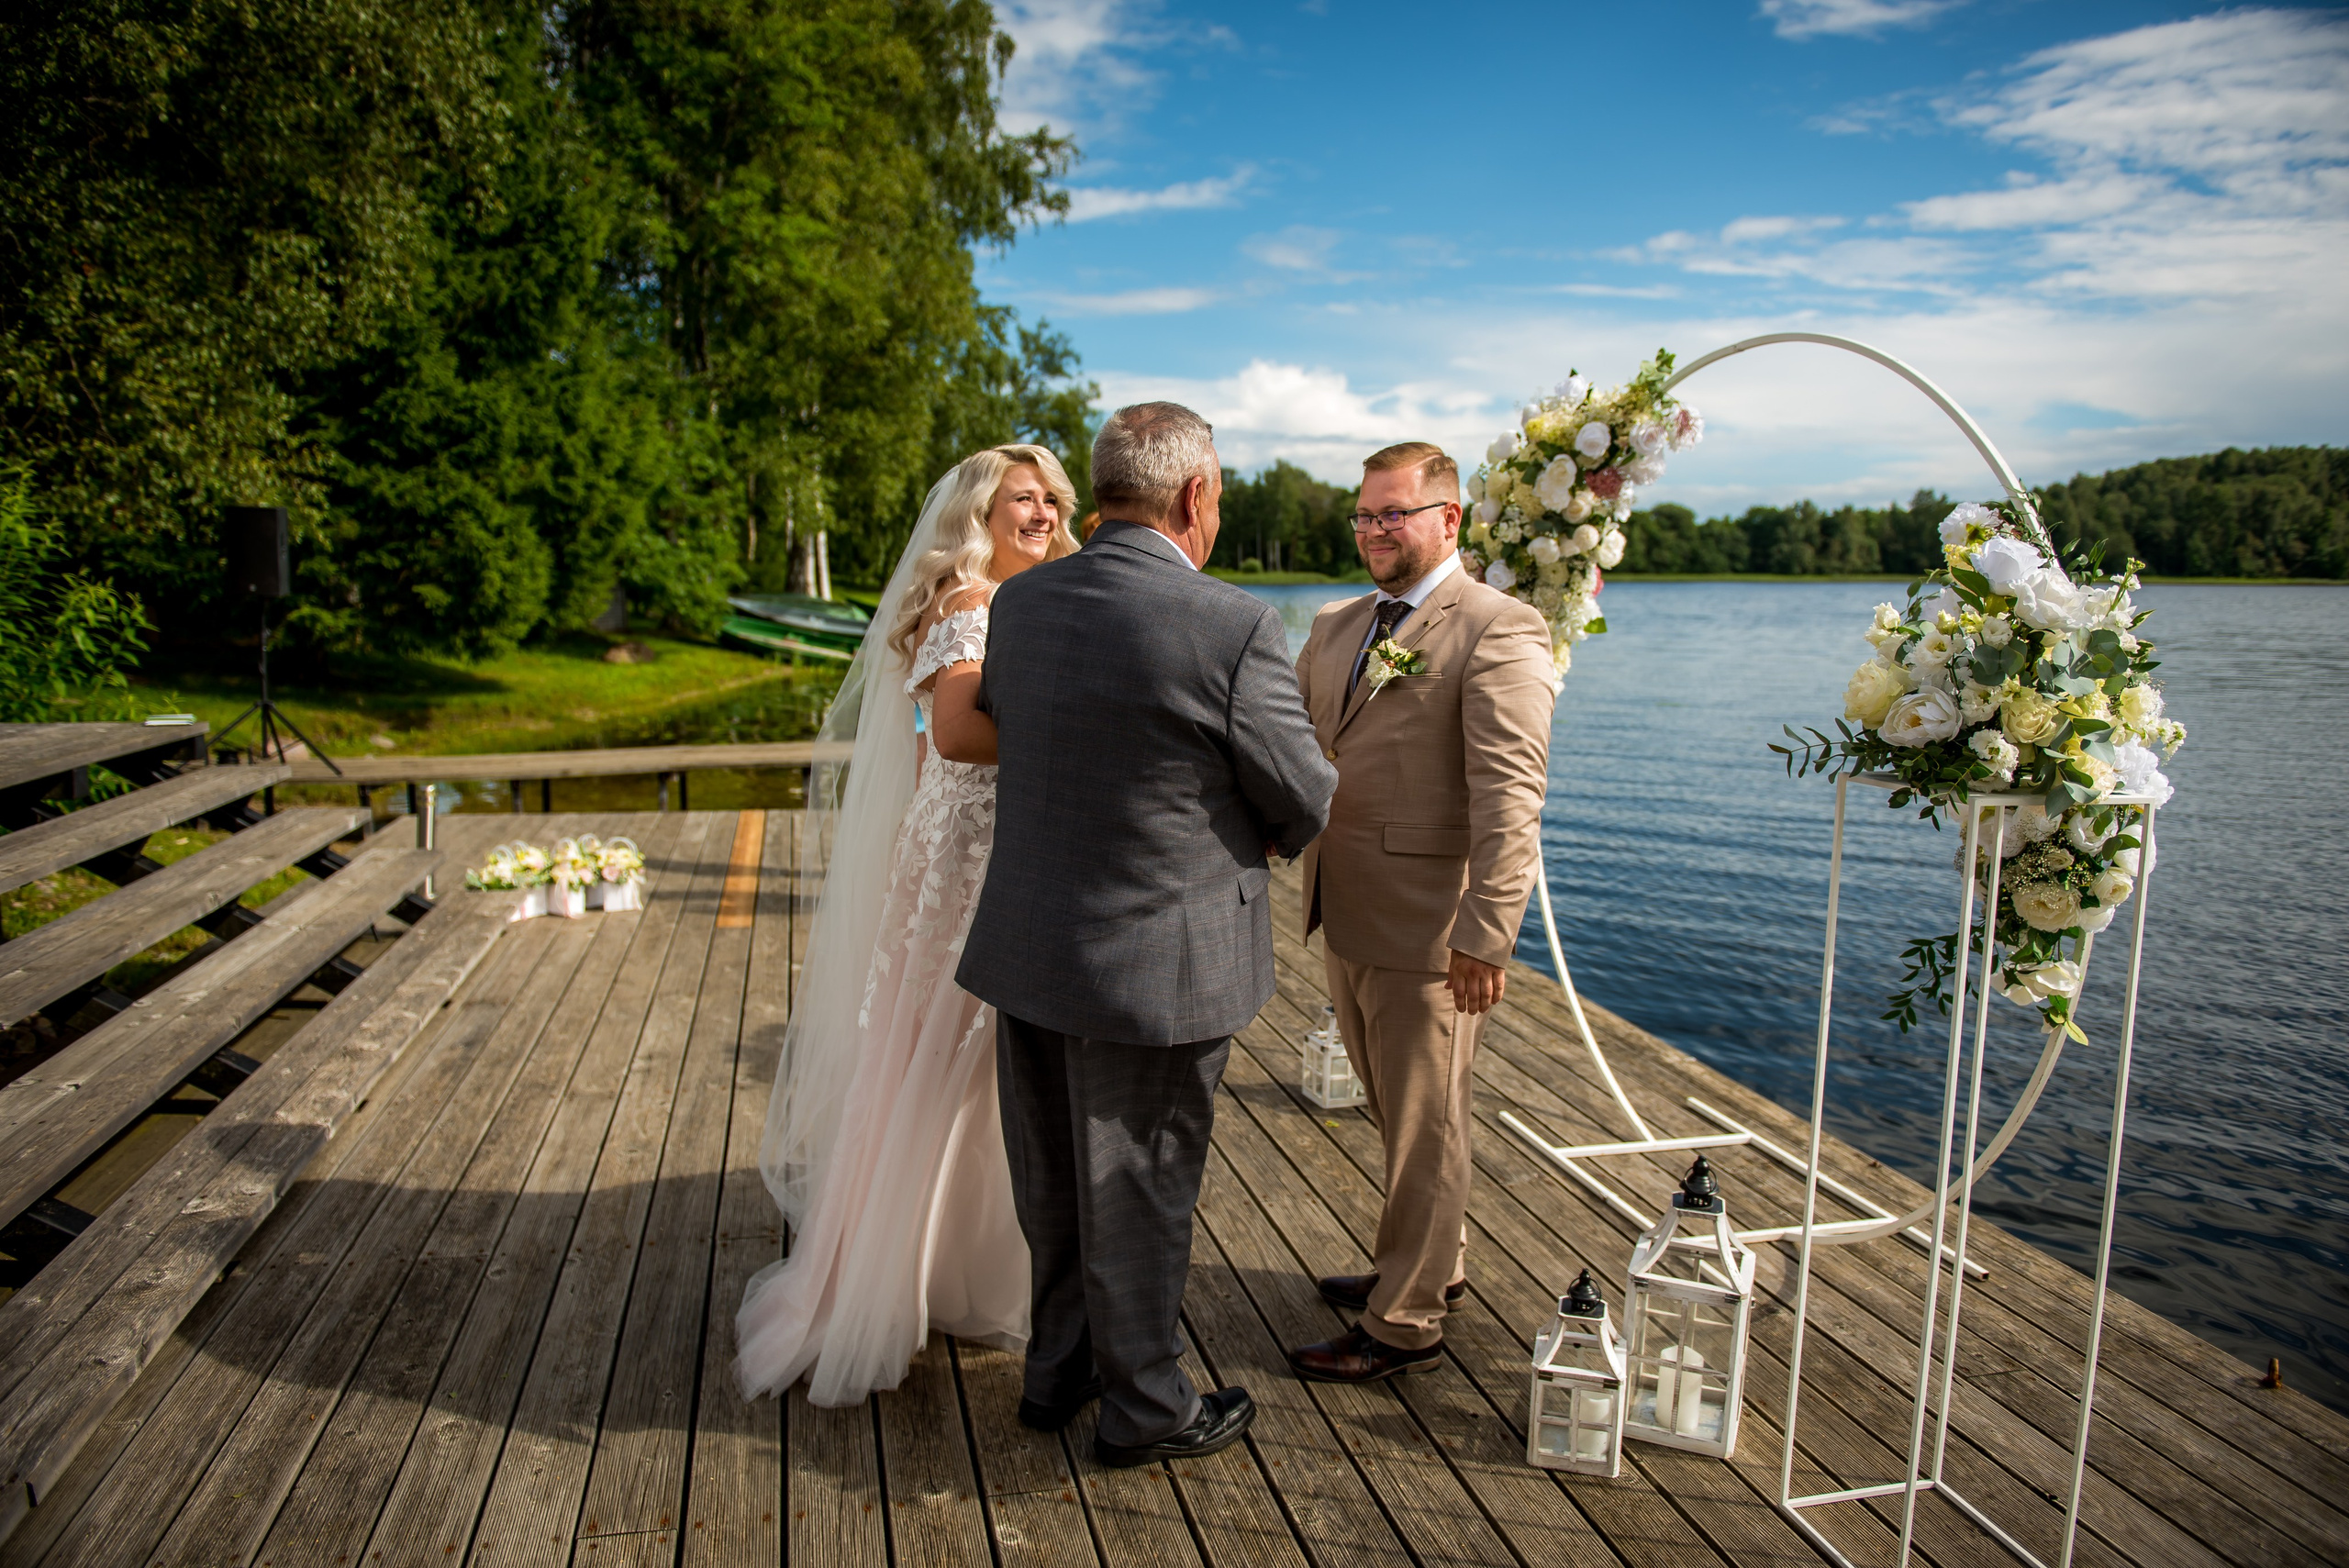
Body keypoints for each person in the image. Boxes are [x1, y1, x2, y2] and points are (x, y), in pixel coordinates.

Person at [952, 402, 1337, 1465]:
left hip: (1028, 946)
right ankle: (1146, 1407)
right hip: (1157, 966)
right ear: (1197, 495)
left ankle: (1056, 1372)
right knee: (1141, 1187)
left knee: (1056, 1184)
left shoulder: (1021, 604)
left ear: (1106, 486)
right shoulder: (1231, 622)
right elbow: (1303, 792)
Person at [736, 444, 1081, 1407]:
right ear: (979, 512)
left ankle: (952, 1266)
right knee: (948, 1054)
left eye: (1054, 497)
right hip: (968, 858)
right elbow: (963, 733)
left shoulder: (1019, 603)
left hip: (974, 845)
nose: (1046, 512)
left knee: (969, 1061)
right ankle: (901, 1273)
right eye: (1024, 498)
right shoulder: (970, 603)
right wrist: (1089, 730)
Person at [1284, 441, 1554, 1383]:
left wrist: (1487, 930)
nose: (1373, 531)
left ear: (1451, 517)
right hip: (1345, 907)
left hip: (1430, 929)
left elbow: (1511, 795)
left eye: (1393, 513)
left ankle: (1405, 1320)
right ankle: (1436, 1263)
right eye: (1363, 514)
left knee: (1423, 1123)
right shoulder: (1338, 624)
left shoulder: (1497, 627)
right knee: (1410, 1116)